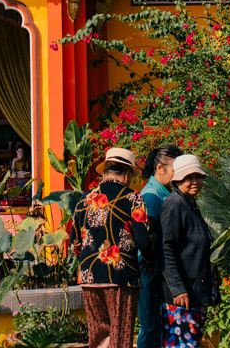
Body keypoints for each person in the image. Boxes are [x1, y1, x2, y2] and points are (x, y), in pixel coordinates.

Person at [71, 147, 146, 348]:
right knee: (120, 336)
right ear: (128, 174)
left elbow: (75, 245)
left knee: (99, 337)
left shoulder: (83, 201)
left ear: (104, 172)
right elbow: (144, 241)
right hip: (120, 275)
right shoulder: (133, 198)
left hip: (89, 276)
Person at [159, 154, 216, 348]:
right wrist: (178, 288)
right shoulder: (174, 205)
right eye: (188, 178)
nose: (195, 182)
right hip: (181, 296)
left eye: (198, 177)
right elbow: (165, 248)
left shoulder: (189, 204)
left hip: (194, 292)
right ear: (178, 180)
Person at [136, 145, 182, 348]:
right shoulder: (152, 195)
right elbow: (149, 233)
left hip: (155, 267)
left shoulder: (164, 191)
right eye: (174, 168)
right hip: (149, 267)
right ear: (159, 169)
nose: (178, 174)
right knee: (150, 324)